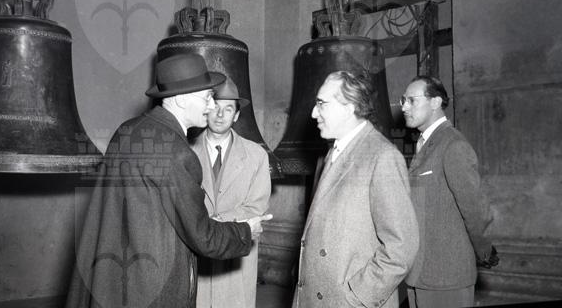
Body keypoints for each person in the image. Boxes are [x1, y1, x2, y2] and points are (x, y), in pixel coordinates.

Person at [65, 53, 272, 308]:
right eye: (207, 97)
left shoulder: (127, 130)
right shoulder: (177, 151)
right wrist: (245, 231)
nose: (211, 107)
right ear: (182, 100)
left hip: (113, 278)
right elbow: (202, 236)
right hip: (154, 285)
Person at [294, 71, 419, 308]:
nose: (313, 113)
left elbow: (401, 248)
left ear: (349, 107)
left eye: (321, 104)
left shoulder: (382, 156)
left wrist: (358, 296)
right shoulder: (331, 153)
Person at [401, 75, 499, 308]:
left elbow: (475, 210)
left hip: (446, 276)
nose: (404, 107)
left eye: (412, 100)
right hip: (419, 273)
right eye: (403, 100)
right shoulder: (425, 142)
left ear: (435, 102)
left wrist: (484, 251)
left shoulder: (453, 145)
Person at [192, 77, 271, 308]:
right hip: (197, 252)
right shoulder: (186, 151)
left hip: (236, 254)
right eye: (215, 107)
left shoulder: (256, 155)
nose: (220, 115)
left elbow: (256, 207)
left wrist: (214, 223)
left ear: (236, 116)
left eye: (228, 109)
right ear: (206, 109)